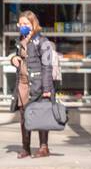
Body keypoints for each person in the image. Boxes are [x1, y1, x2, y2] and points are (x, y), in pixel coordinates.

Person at [9, 10, 56, 158]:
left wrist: (47, 89)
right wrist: (13, 59)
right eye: (21, 24)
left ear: (33, 24)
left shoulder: (43, 41)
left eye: (26, 24)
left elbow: (47, 66)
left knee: (41, 115)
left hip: (38, 84)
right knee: (24, 117)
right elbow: (18, 57)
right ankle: (25, 148)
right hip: (22, 84)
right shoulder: (20, 40)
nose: (23, 26)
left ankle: (44, 147)